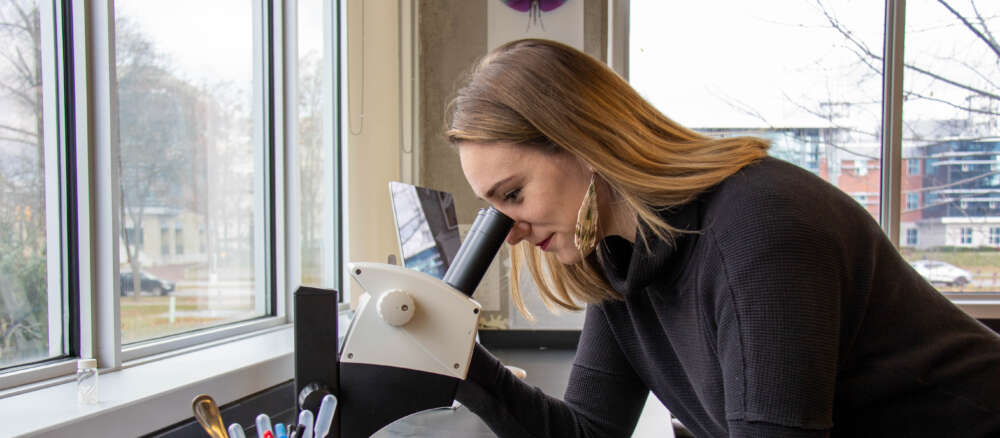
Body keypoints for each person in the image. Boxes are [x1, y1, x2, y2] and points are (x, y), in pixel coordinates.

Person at [446, 38, 1000, 437]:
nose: (510, 234)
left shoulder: (761, 229)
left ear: (585, 145)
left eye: (512, 196)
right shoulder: (620, 260)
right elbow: (590, 430)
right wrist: (458, 363)